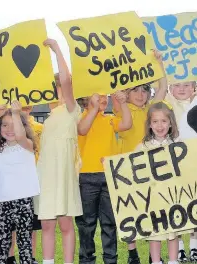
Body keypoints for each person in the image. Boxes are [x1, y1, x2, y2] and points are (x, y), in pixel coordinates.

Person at [112, 50, 167, 264]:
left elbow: (162, 87)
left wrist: (158, 63)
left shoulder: (152, 110)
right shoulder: (121, 109)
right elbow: (116, 89)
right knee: (131, 211)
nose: (141, 95)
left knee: (156, 211)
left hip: (153, 167)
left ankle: (156, 256)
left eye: (144, 90)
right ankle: (132, 252)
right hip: (128, 165)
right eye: (135, 90)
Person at [33, 39, 83, 264]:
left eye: (59, 87)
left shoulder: (72, 110)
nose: (56, 91)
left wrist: (57, 50)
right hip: (45, 175)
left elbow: (66, 77)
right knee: (46, 223)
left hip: (64, 174)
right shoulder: (46, 119)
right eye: (52, 88)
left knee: (65, 223)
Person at [0, 101, 40, 264]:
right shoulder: (0, 147)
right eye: (4, 125)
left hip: (23, 202)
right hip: (1, 202)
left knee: (24, 244)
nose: (9, 129)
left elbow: (20, 136)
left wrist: (15, 112)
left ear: (23, 125)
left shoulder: (27, 145)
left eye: (14, 124)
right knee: (2, 245)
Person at [75, 91, 132, 264]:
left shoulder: (108, 119)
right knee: (86, 224)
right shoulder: (79, 118)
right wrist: (93, 108)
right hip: (86, 178)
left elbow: (127, 124)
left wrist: (123, 103)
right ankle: (86, 260)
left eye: (104, 95)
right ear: (86, 99)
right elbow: (82, 130)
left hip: (109, 176)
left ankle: (110, 259)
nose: (103, 99)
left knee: (109, 223)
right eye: (97, 95)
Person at [135, 101, 183, 264]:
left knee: (173, 232)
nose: (160, 125)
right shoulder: (142, 146)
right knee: (154, 234)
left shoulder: (177, 145)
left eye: (164, 121)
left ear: (170, 124)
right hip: (153, 199)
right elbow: (131, 168)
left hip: (173, 198)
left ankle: (173, 260)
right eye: (155, 121)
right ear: (149, 124)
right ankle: (155, 261)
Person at [8, 106, 44, 264]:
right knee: (11, 222)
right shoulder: (8, 127)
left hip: (33, 179)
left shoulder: (40, 128)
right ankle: (10, 257)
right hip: (13, 179)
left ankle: (30, 257)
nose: (26, 106)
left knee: (32, 222)